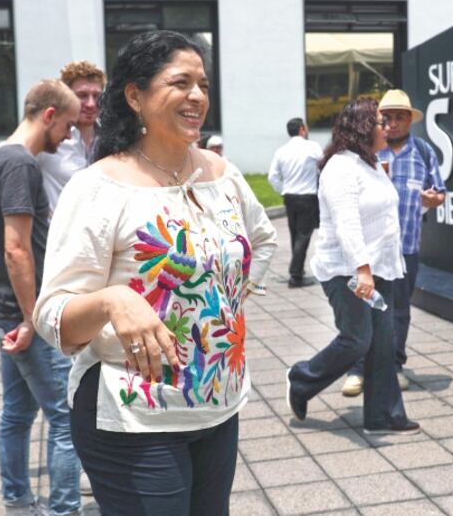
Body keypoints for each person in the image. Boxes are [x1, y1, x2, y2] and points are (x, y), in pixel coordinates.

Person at [32, 30, 277, 515]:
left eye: (203, 85)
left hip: (218, 405)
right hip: (134, 417)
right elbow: (52, 315)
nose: (197, 96)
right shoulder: (99, 189)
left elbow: (263, 240)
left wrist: (218, 303)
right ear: (135, 96)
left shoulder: (221, 174)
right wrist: (112, 301)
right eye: (180, 82)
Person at [285, 98, 421, 436]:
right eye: (380, 121)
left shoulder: (371, 163)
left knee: (383, 344)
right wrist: (362, 269)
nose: (387, 126)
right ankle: (302, 379)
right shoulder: (340, 168)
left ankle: (383, 415)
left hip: (382, 270)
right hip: (348, 271)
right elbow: (347, 224)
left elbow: (386, 214)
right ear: (362, 128)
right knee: (357, 340)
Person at [0, 80, 83, 516]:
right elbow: (15, 247)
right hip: (27, 318)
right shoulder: (22, 164)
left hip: (4, 309)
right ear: (48, 115)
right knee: (65, 418)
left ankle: (18, 503)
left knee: (17, 415)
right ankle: (65, 510)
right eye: (67, 126)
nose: (69, 137)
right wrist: (33, 318)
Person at [341, 89, 446, 396]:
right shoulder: (368, 151)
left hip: (406, 247)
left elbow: (439, 191)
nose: (393, 124)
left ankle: (394, 365)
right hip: (369, 249)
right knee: (362, 308)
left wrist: (433, 199)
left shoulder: (424, 151)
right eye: (387, 118)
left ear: (410, 121)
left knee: (399, 309)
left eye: (401, 117)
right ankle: (357, 369)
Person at [0, 60, 106, 225]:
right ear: (68, 96)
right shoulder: (52, 139)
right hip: (54, 242)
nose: (91, 104)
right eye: (82, 95)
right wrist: (35, 210)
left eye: (97, 96)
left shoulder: (109, 140)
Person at [268, 117, 323, 288]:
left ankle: (297, 270)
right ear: (302, 129)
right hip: (308, 196)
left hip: (290, 197)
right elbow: (323, 166)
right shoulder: (312, 147)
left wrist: (283, 189)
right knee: (304, 235)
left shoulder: (281, 151)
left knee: (295, 234)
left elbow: (272, 177)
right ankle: (296, 274)